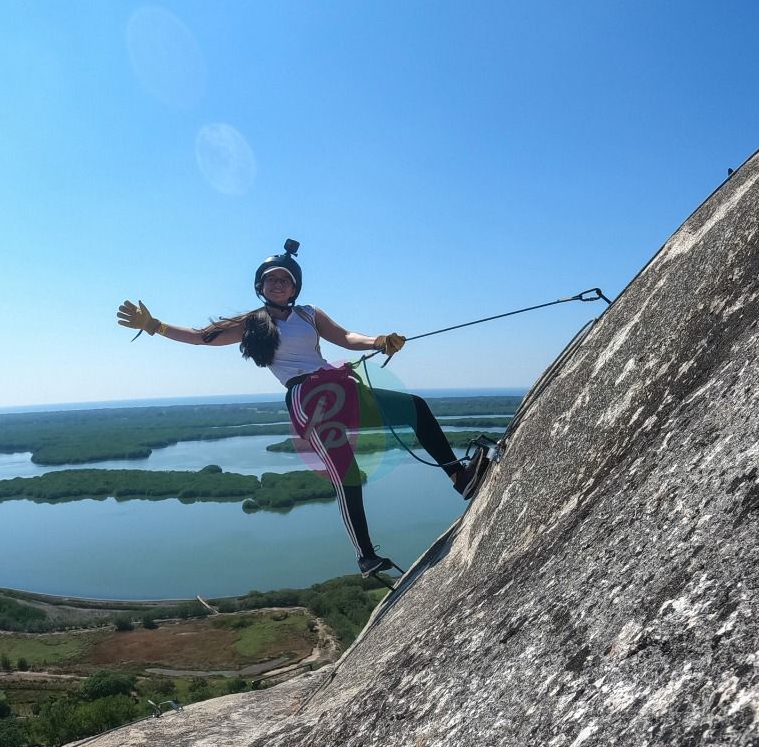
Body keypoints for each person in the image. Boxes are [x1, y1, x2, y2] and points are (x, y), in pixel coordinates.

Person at [116, 239, 485, 577]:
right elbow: (200, 338)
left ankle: (459, 477)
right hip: (307, 398)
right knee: (347, 470)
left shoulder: (309, 314)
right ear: (260, 286)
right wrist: (155, 325)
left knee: (414, 409)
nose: (277, 284)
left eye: (284, 280)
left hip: (337, 387)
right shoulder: (251, 324)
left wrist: (379, 340)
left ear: (295, 287)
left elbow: (344, 337)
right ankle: (366, 555)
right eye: (270, 280)